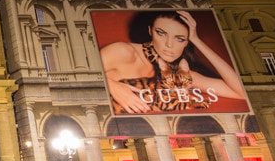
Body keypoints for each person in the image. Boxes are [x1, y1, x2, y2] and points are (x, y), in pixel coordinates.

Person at [100, 10, 246, 114]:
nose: (169, 45)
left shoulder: (180, 74)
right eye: (161, 33)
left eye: (180, 38)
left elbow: (240, 92)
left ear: (186, 42)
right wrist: (111, 86)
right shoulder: (122, 52)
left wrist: (197, 41)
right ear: (150, 31)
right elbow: (79, 78)